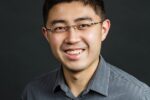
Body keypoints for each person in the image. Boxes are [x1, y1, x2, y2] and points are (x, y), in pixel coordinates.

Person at [22, 0, 150, 100]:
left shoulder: (138, 96)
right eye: (60, 27)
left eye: (83, 25)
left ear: (103, 30)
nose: (72, 39)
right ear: (47, 35)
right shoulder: (33, 93)